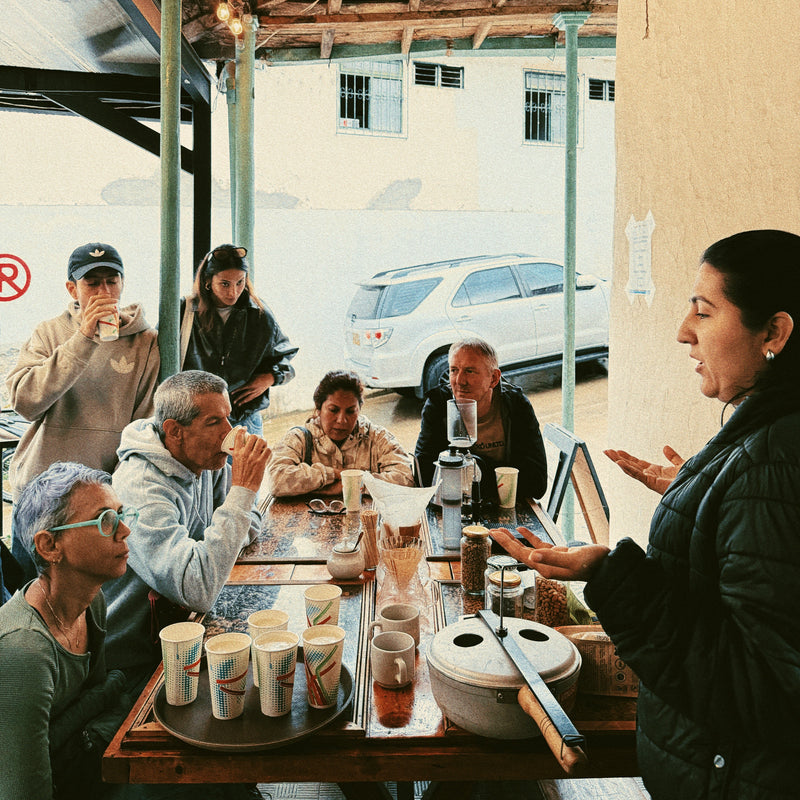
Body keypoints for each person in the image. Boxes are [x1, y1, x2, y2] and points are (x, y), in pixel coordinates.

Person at [491, 229, 800, 800]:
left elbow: (766, 689)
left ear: (774, 333)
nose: (684, 331)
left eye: (704, 312)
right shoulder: (762, 439)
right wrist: (702, 495)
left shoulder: (775, 459)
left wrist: (611, 576)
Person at [102, 370, 270, 695]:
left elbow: (249, 522)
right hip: (135, 658)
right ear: (174, 431)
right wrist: (244, 491)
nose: (230, 433)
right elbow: (198, 590)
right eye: (213, 422)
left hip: (187, 629)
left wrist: (214, 546)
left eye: (228, 417)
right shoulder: (141, 487)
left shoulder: (205, 461)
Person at [5, 242, 160, 581]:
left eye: (112, 280)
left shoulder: (145, 340)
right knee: (28, 594)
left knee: (90, 596)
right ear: (72, 288)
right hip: (38, 494)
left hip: (98, 501)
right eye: (92, 283)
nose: (104, 291)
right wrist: (83, 340)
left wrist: (117, 495)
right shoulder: (49, 332)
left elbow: (144, 424)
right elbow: (25, 402)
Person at [0, 462, 134, 800]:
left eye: (120, 514)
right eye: (106, 520)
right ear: (49, 546)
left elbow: (100, 704)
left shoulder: (92, 600)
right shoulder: (25, 650)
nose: (124, 531)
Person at [180, 244, 297, 438]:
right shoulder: (185, 311)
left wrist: (269, 378)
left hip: (244, 418)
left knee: (247, 468)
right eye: (225, 284)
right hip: (196, 418)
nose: (233, 292)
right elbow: (156, 354)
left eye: (240, 282)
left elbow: (284, 357)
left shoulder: (260, 315)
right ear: (208, 281)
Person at [414, 337, 548, 502]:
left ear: (493, 378)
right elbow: (423, 477)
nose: (459, 381)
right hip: (455, 507)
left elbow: (536, 483)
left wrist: (468, 472)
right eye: (454, 370)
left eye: (470, 371)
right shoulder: (439, 405)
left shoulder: (515, 405)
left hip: (503, 507)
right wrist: (499, 478)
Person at [268, 369, 414, 496]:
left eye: (350, 411)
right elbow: (276, 480)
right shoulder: (299, 439)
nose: (342, 420)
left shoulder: (378, 438)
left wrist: (356, 484)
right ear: (318, 409)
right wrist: (335, 474)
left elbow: (406, 479)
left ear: (359, 410)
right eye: (333, 410)